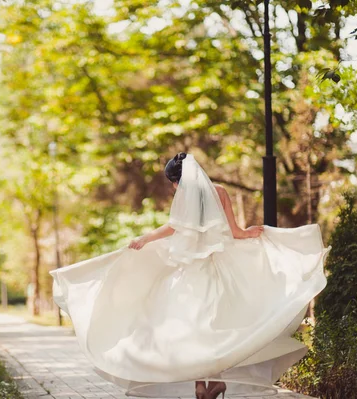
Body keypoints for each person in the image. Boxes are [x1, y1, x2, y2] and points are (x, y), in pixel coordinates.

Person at [50, 152, 330, 399]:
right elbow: (235, 232)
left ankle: (201, 384)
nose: (174, 187)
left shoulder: (185, 196)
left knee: (194, 328)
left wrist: (145, 239)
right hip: (220, 269)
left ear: (178, 181)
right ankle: (216, 382)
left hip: (191, 274)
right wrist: (252, 233)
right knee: (218, 326)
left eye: (173, 182)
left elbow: (173, 228)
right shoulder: (219, 192)